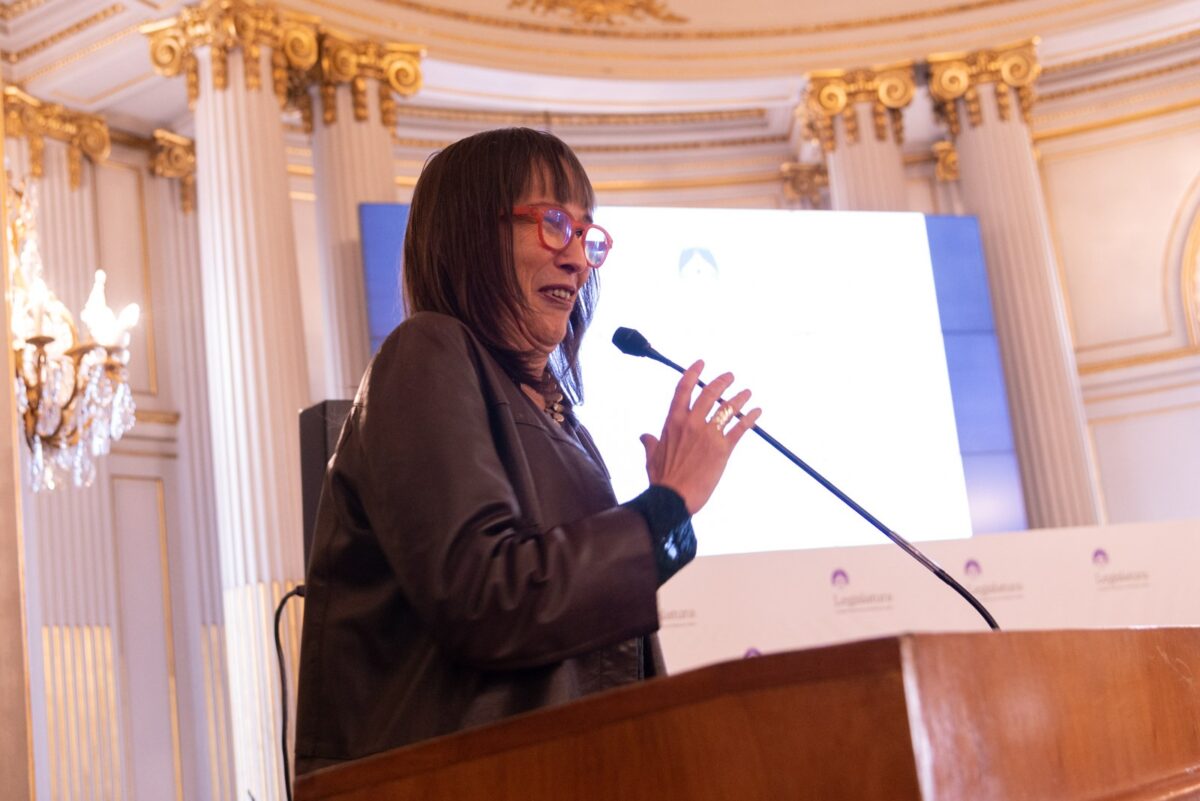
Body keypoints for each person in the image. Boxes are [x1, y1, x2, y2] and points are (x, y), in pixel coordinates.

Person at [294, 127, 762, 773]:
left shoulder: (565, 422)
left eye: (586, 235)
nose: (578, 260)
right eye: (552, 223)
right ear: (472, 234)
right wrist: (667, 505)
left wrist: (667, 512)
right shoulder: (427, 353)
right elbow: (486, 598)